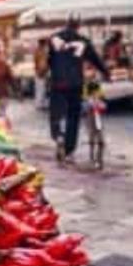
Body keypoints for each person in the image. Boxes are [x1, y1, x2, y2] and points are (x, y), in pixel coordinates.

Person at [49, 15, 110, 162]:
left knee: (56, 113)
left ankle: (59, 136)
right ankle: (69, 151)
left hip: (58, 83)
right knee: (73, 117)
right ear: (78, 26)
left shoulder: (54, 38)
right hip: (75, 83)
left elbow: (50, 60)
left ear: (66, 23)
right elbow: (95, 59)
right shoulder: (84, 41)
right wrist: (106, 73)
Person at [33, 38, 50, 110]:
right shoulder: (40, 51)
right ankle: (39, 104)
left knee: (41, 88)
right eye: (45, 43)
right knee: (41, 88)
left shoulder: (40, 50)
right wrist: (41, 71)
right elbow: (40, 63)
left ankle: (40, 103)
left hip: (41, 71)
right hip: (40, 72)